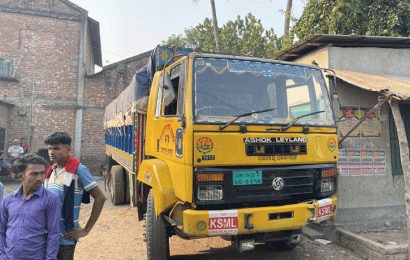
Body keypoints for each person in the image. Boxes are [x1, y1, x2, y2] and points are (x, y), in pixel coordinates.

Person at [44, 132, 106, 260]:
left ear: (68, 149)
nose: (51, 152)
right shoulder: (50, 171)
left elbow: (100, 198)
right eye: (50, 148)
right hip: (47, 234)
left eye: (56, 148)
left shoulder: (79, 170)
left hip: (65, 237)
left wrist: (86, 230)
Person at [0, 153, 61, 259]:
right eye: (34, 174)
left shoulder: (51, 199)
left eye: (42, 173)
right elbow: (1, 230)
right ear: (21, 176)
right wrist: (1, 254)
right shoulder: (8, 200)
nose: (40, 178)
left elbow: (53, 234)